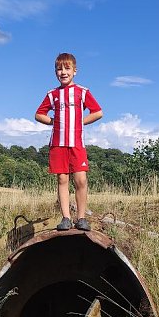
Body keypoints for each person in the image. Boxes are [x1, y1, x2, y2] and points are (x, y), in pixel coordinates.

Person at [35, 52, 103, 231]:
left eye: (67, 68)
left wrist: (80, 121)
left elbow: (98, 112)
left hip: (77, 143)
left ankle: (81, 218)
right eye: (59, 69)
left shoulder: (82, 92)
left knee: (80, 179)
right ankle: (66, 217)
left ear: (75, 71)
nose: (63, 72)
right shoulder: (52, 94)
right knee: (62, 179)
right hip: (58, 143)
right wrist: (52, 121)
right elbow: (39, 114)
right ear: (55, 72)